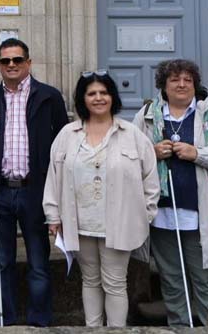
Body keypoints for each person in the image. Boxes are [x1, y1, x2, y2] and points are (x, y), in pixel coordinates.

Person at [43, 71, 159, 327]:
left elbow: (150, 179)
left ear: (112, 97)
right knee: (90, 280)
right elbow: (54, 176)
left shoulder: (131, 134)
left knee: (115, 282)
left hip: (119, 224)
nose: (98, 98)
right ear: (82, 99)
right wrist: (53, 215)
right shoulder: (67, 134)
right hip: (79, 223)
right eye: (92, 93)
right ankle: (92, 329)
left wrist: (143, 215)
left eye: (103, 93)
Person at [133, 59, 208, 326]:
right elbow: (130, 157)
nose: (181, 85)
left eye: (187, 80)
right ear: (163, 86)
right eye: (174, 80)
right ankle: (179, 327)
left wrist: (197, 154)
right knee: (171, 280)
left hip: (200, 214)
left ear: (195, 84)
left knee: (205, 280)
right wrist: (152, 153)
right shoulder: (146, 115)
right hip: (163, 215)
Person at [0, 38, 68, 326]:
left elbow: (62, 143)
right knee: (1, 263)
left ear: (29, 63)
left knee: (39, 263)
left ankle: (38, 322)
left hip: (35, 190)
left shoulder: (49, 96)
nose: (12, 65)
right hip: (1, 189)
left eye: (17, 60)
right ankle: (6, 321)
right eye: (6, 61)